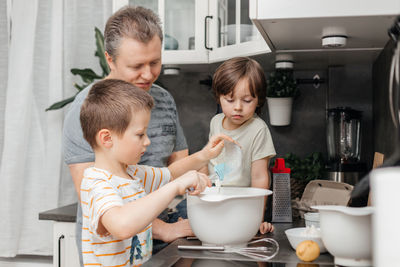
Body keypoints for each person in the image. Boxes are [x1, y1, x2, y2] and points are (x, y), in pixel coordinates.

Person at [62, 6, 189, 265]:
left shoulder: (164, 100)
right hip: (115, 250)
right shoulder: (86, 109)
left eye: (154, 62)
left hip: (164, 239)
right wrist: (165, 230)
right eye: (136, 66)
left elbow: (177, 165)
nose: (148, 74)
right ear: (110, 60)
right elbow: (95, 197)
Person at [79, 79, 233, 266]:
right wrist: (175, 187)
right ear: (106, 138)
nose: (147, 142)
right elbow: (122, 225)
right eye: (140, 134)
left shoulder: (132, 174)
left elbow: (170, 174)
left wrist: (204, 155)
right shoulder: (96, 183)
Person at [203, 57, 276, 234]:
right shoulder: (215, 122)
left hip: (242, 206)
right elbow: (208, 160)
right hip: (214, 201)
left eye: (247, 100)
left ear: (258, 100)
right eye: (230, 99)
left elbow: (260, 178)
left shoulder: (258, 130)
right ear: (219, 98)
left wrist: (257, 220)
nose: (237, 107)